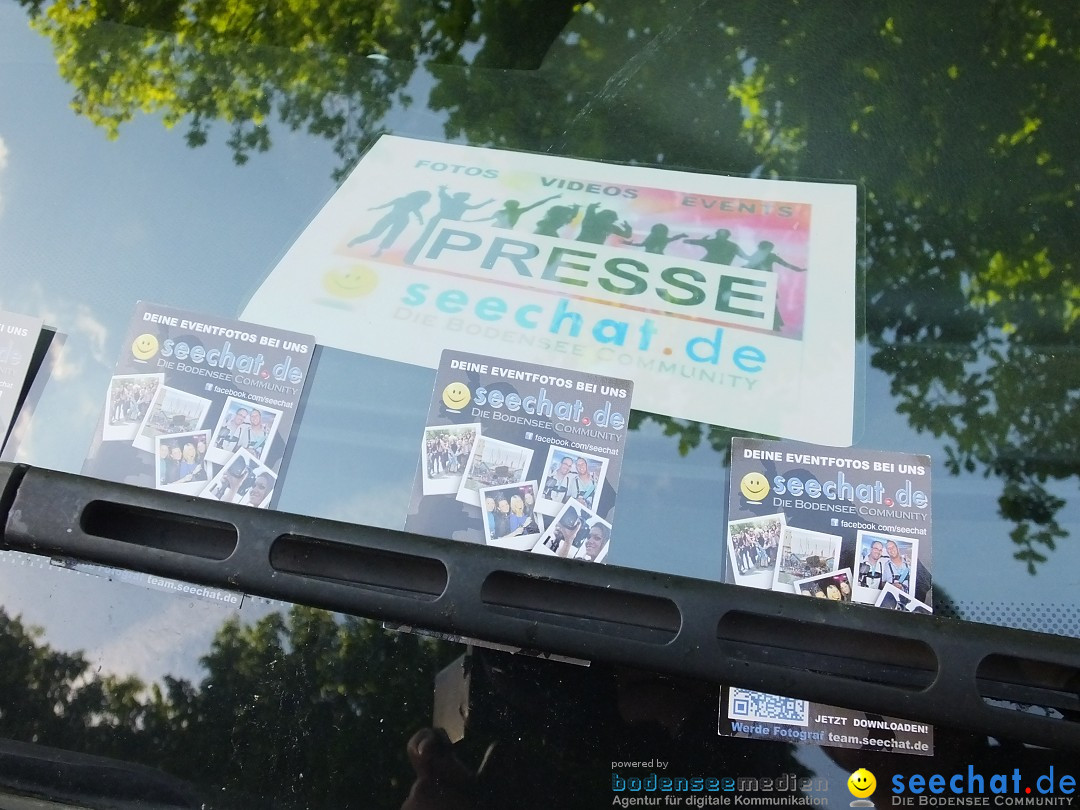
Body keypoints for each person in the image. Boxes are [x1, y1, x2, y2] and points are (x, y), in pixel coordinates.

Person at [347, 189, 431, 256]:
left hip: (401, 220)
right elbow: (387, 205)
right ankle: (355, 241)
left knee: (391, 236)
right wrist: (375, 208)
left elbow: (417, 213)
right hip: (392, 217)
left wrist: (421, 220)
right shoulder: (401, 200)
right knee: (375, 233)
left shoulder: (412, 204)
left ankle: (379, 251)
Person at [684, 228, 748, 265]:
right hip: (706, 266)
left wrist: (702, 241)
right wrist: (702, 241)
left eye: (723, 235)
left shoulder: (733, 246)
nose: (721, 237)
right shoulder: (711, 242)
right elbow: (686, 241)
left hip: (717, 269)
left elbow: (686, 241)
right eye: (720, 235)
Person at [622, 223, 687, 255]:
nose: (659, 235)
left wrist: (629, 243)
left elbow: (673, 238)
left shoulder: (662, 239)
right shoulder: (652, 239)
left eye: (661, 233)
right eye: (658, 232)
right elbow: (673, 238)